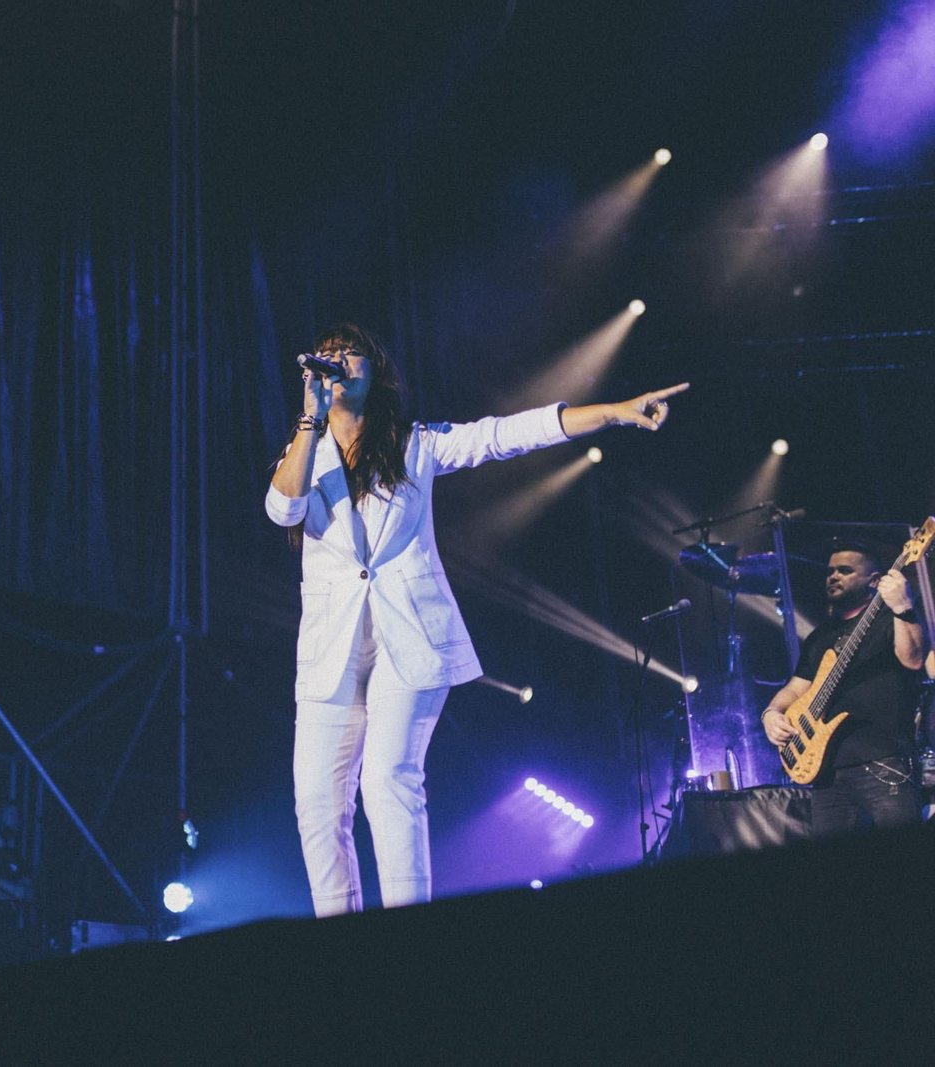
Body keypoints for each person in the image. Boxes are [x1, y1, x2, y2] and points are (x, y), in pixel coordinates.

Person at [265, 322, 687, 917]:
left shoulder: (416, 444)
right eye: (328, 354)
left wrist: (613, 412)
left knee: (388, 780)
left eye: (350, 354)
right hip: (331, 649)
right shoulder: (306, 454)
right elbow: (283, 508)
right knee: (316, 802)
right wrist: (310, 420)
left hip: (410, 641)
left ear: (374, 372)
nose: (337, 362)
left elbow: (504, 435)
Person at [760, 543, 927, 835]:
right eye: (830, 571)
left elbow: (913, 660)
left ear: (874, 581)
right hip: (826, 773)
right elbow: (797, 688)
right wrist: (771, 714)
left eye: (845, 571)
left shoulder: (893, 618)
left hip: (883, 760)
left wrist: (903, 608)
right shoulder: (820, 635)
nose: (833, 576)